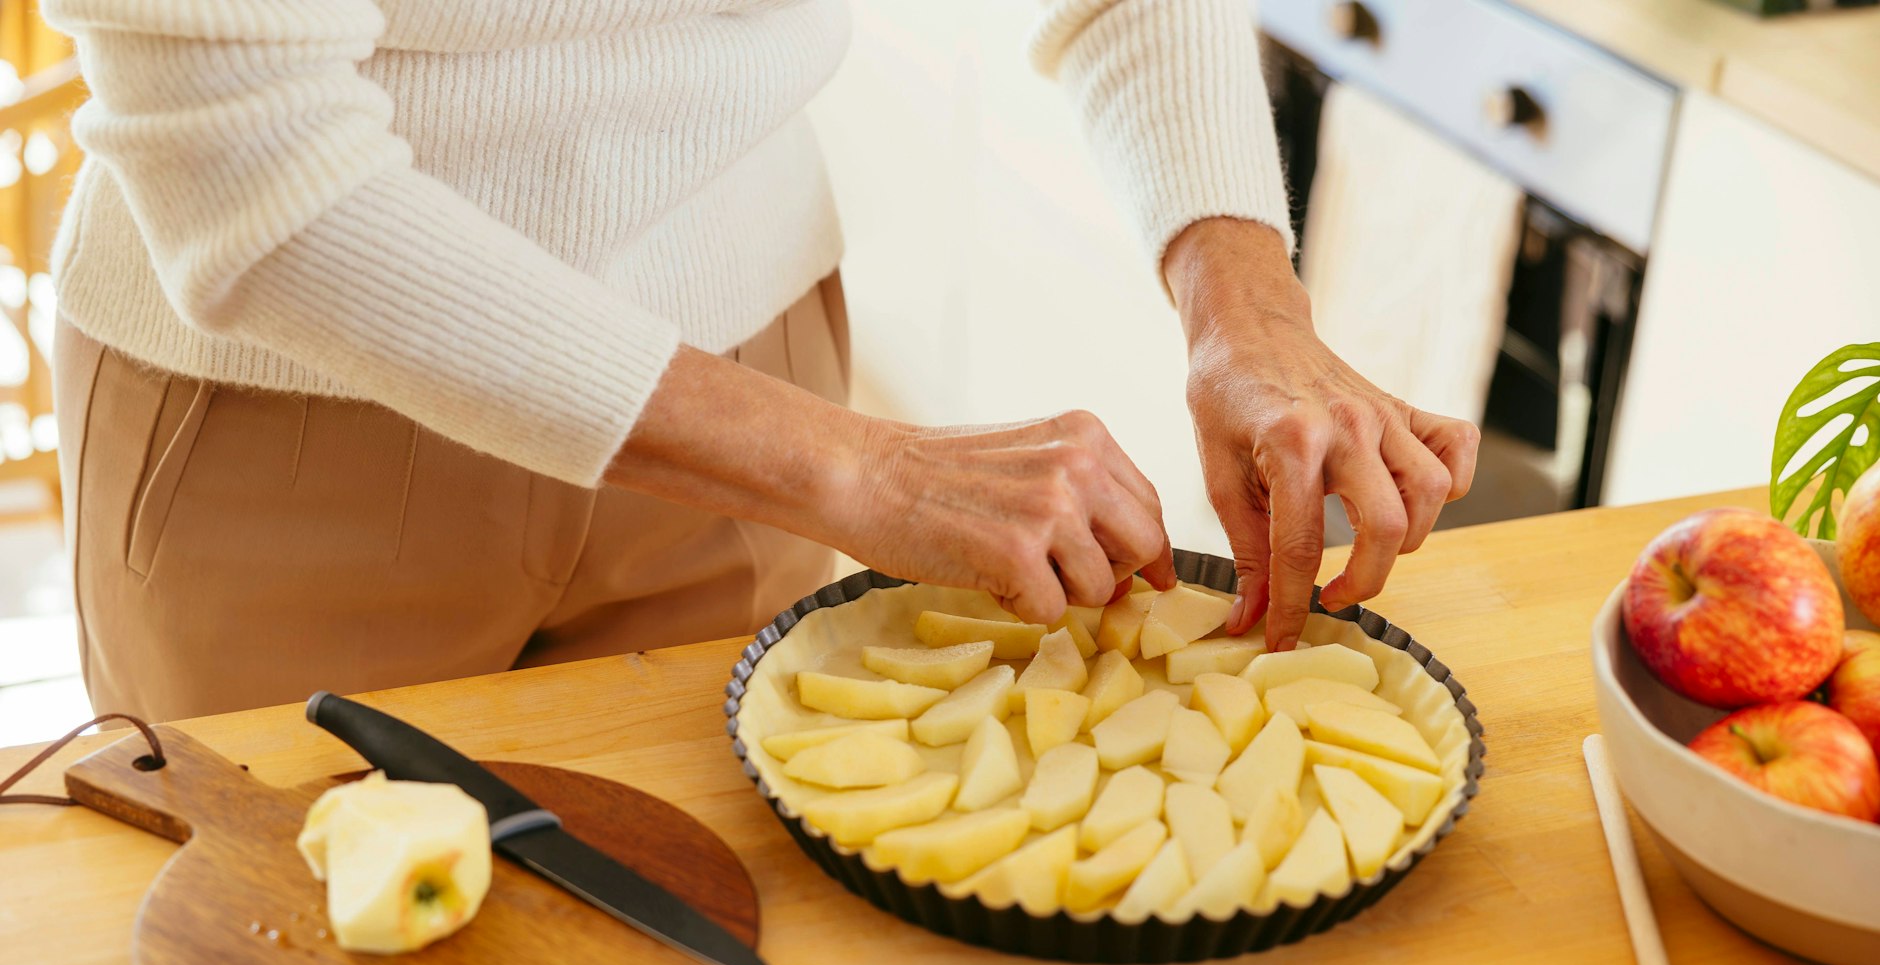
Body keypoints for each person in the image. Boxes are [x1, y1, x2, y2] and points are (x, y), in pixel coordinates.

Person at [43, 0, 1478, 723]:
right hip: (288, 427)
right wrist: (866, 468)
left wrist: (1246, 300)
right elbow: (251, 172)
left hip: (751, 380)